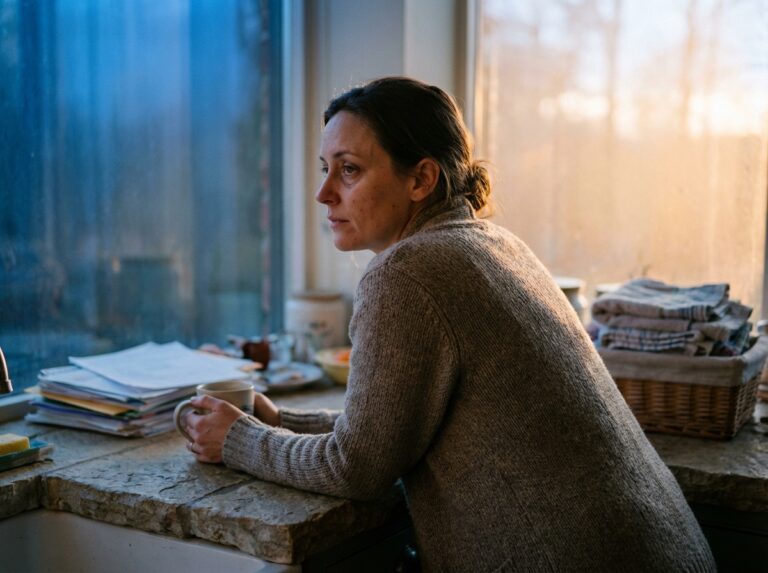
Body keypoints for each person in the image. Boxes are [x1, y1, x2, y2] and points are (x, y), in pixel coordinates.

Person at [182, 77, 716, 572]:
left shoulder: (405, 272)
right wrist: (283, 422)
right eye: (326, 168)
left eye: (349, 170)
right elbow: (388, 430)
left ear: (421, 179)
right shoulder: (496, 243)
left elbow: (355, 468)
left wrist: (239, 441)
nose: (324, 193)